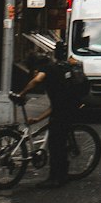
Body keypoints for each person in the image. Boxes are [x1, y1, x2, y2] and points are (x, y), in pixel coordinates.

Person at [19, 40, 87, 186]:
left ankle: (57, 178)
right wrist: (37, 119)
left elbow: (37, 80)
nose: (34, 73)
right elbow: (54, 106)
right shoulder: (54, 70)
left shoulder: (46, 69)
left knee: (56, 144)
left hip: (66, 110)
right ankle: (61, 174)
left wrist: (23, 93)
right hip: (66, 107)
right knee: (58, 142)